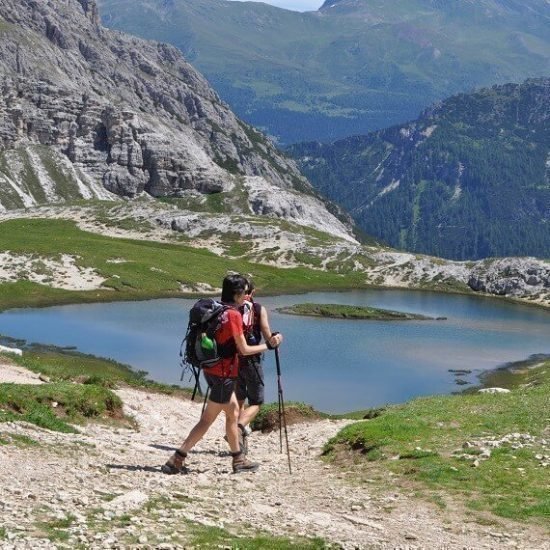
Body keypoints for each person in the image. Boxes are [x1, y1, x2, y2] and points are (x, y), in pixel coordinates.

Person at [162, 274, 283, 475]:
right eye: (245, 292)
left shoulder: (216, 309)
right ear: (237, 293)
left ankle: (238, 459)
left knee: (233, 412)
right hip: (224, 374)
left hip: (211, 370)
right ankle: (177, 459)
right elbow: (243, 349)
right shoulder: (233, 315)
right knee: (207, 420)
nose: (247, 296)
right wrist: (267, 346)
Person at [235, 282, 273, 453]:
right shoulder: (258, 309)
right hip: (251, 361)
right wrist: (276, 339)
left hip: (231, 362)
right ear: (253, 292)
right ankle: (239, 427)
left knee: (238, 401)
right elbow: (267, 335)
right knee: (256, 402)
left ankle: (239, 444)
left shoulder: (229, 308)